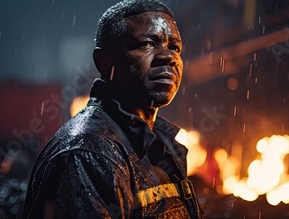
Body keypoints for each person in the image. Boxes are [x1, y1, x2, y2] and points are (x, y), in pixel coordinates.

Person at [22, 0, 203, 218]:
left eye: (175, 47)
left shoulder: (164, 146)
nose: (169, 57)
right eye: (147, 44)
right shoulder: (87, 153)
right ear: (104, 62)